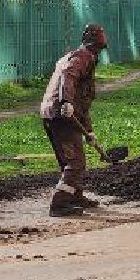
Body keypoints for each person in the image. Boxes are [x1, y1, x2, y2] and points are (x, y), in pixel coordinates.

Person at [39, 23, 109, 217]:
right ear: (90, 44)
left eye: (99, 49)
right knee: (76, 162)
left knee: (69, 161)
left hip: (54, 113)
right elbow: (67, 76)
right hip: (61, 115)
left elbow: (83, 102)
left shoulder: (81, 57)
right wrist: (66, 101)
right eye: (96, 48)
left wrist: (90, 131)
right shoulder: (82, 57)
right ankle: (59, 204)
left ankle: (75, 196)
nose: (97, 53)